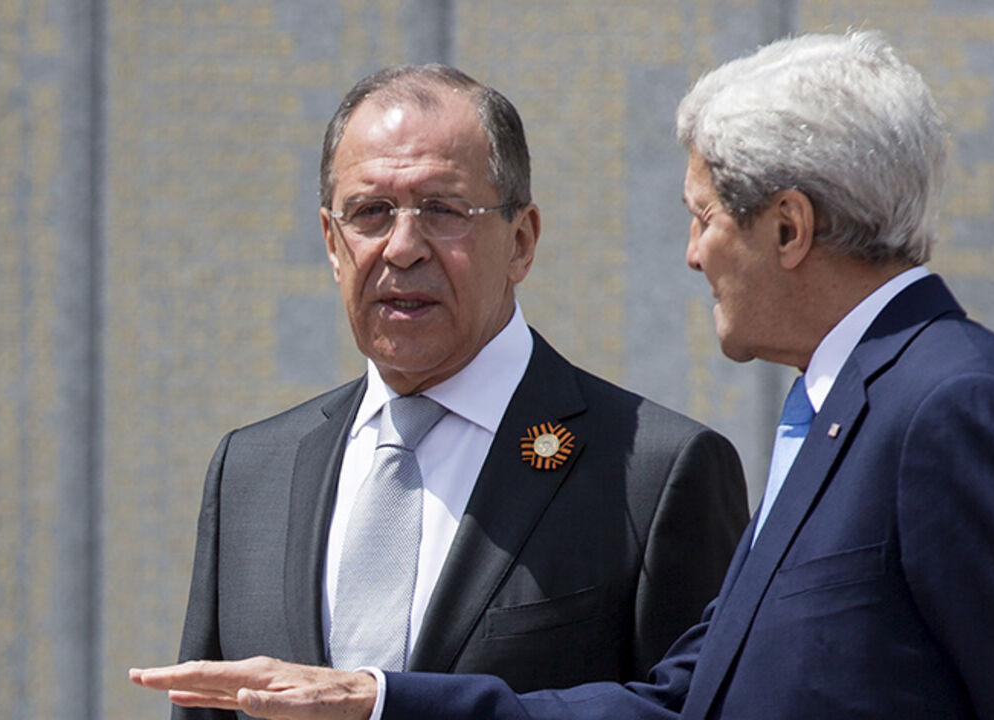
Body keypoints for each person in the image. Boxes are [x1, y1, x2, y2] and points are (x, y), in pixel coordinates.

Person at [132, 32, 994, 719]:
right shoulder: (842, 409)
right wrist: (380, 699)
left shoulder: (947, 405)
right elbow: (682, 700)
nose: (692, 254)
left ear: (786, 228)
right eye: (368, 215)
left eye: (703, 216)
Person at [151, 64, 749, 718]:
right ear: (331, 242)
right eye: (371, 212)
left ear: (521, 242)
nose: (403, 248)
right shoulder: (252, 471)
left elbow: (699, 708)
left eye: (443, 210)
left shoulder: (654, 473)